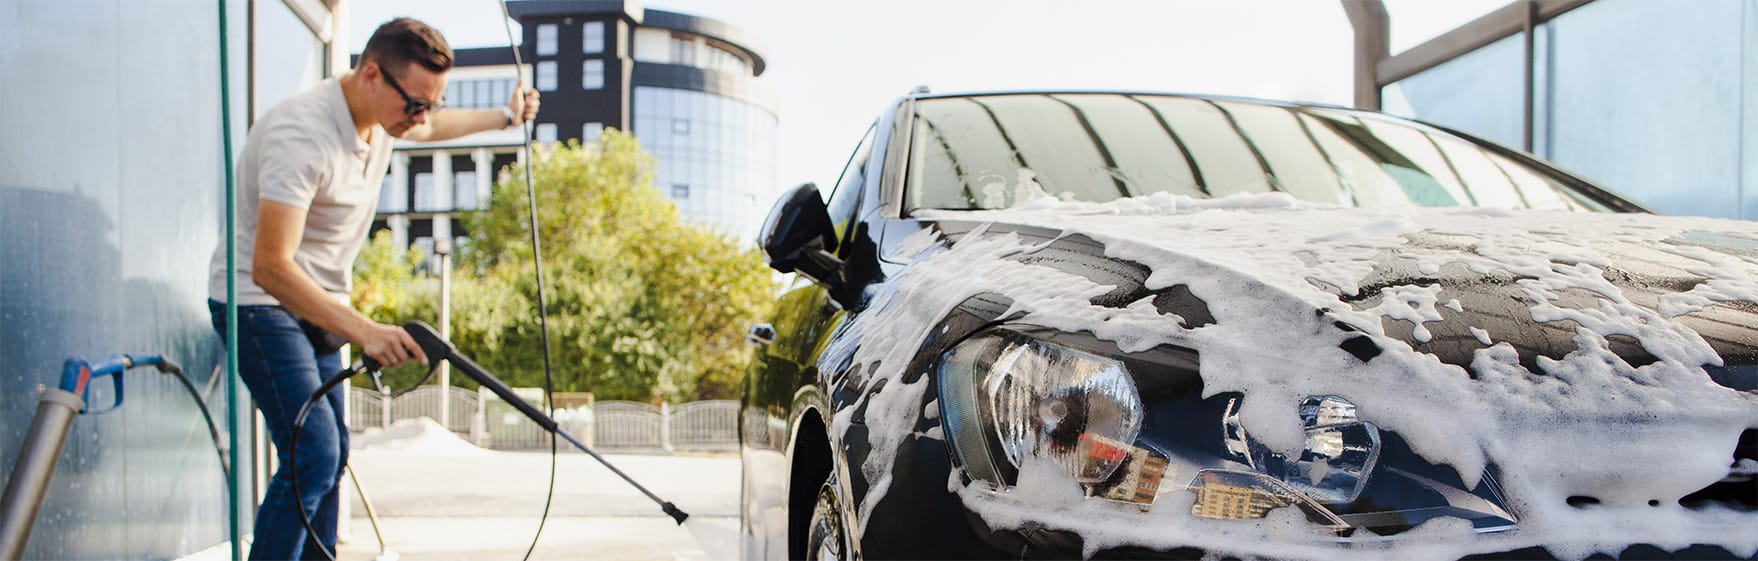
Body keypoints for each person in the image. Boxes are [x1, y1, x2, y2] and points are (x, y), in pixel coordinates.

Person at [206, 17, 539, 560]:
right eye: (415, 103)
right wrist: (366, 331)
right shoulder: (303, 133)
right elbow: (270, 267)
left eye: (432, 102)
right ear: (370, 75)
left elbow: (432, 127)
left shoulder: (388, 119)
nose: (423, 117)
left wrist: (506, 116)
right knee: (311, 452)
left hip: (317, 304)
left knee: (333, 456)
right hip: (256, 300)